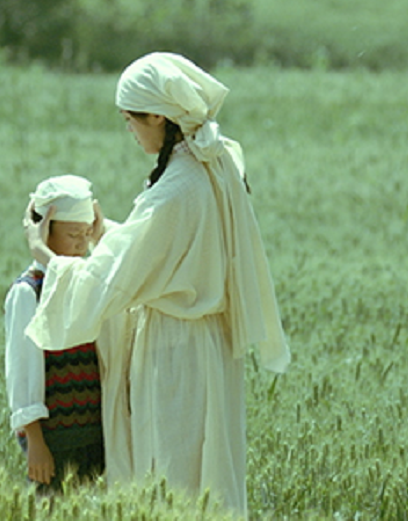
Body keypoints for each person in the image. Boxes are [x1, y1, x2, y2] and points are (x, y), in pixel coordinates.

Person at [21, 52, 290, 516]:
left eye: (130, 119)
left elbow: (113, 280)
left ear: (159, 117)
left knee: (173, 473)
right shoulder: (208, 167)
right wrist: (108, 235)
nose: (128, 129)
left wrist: (45, 254)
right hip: (208, 346)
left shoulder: (176, 188)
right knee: (204, 476)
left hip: (175, 353)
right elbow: (166, 252)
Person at [4, 175, 107, 495]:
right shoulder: (29, 292)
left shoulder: (87, 283)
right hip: (54, 437)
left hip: (96, 433)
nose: (81, 244)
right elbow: (23, 370)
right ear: (45, 233)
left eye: (87, 234)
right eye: (73, 235)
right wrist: (34, 441)